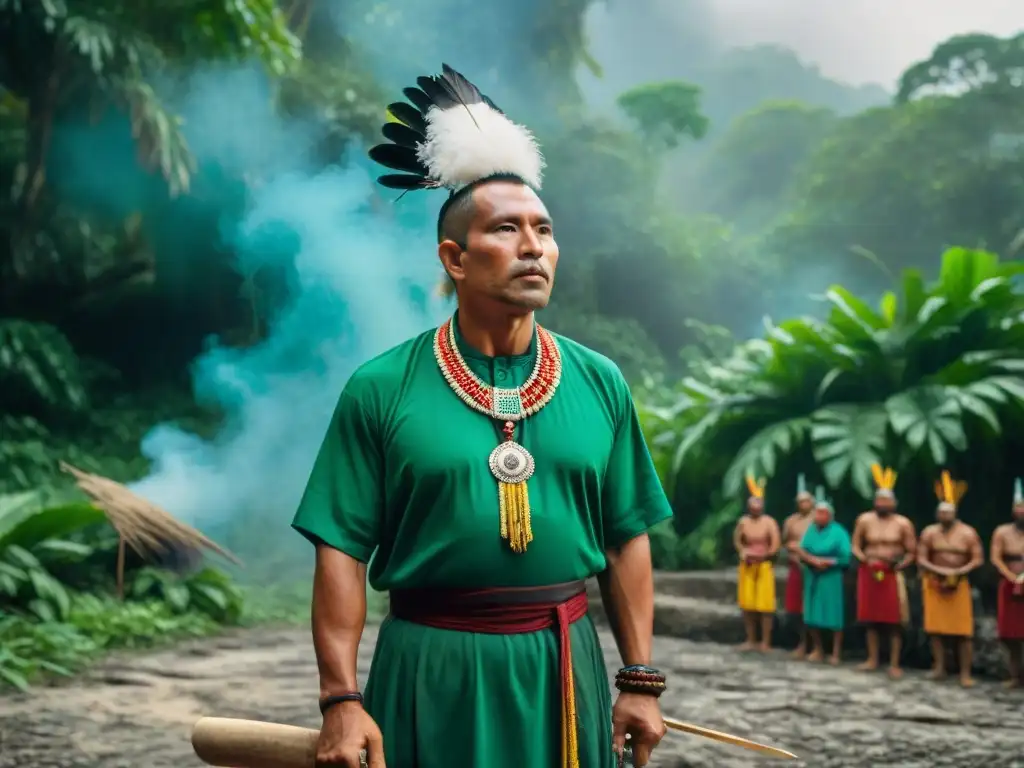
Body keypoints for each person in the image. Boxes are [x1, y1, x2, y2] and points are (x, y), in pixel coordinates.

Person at [292, 64, 674, 768]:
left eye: (545, 229)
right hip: (429, 668)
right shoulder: (380, 388)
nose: (534, 246)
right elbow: (340, 550)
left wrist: (640, 681)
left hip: (564, 670)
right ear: (455, 258)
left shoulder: (601, 383)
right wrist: (340, 703)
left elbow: (626, 538)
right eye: (506, 229)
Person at [916, 471, 983, 687]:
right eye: (941, 513)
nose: (945, 516)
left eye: (948, 513)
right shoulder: (929, 532)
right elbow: (921, 557)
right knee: (936, 630)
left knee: (963, 632)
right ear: (937, 514)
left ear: (955, 513)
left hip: (959, 583)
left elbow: (978, 559)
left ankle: (965, 673)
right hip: (935, 582)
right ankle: (939, 667)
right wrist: (938, 570)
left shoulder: (968, 533)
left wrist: (958, 571)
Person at [851, 464, 916, 679]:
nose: (883, 504)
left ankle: (895, 663)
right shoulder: (864, 520)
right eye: (880, 500)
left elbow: (911, 552)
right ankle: (872, 659)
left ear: (894, 503)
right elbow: (856, 546)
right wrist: (864, 560)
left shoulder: (903, 523)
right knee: (870, 619)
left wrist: (899, 564)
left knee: (893, 621)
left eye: (887, 500)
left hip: (891, 573)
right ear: (874, 501)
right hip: (869, 572)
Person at [798, 488, 851, 665]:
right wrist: (812, 561)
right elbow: (802, 550)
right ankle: (818, 649)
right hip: (812, 575)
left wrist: (827, 563)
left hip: (831, 577)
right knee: (812, 613)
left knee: (834, 615)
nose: (818, 516)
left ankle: (836, 652)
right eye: (817, 513)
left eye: (822, 513)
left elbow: (845, 557)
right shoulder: (811, 530)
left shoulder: (839, 532)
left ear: (829, 516)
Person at [734, 475, 781, 652]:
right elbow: (738, 541)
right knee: (748, 605)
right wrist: (743, 552)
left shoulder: (769, 522)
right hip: (747, 566)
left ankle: (765, 642)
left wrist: (764, 555)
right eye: (753, 503)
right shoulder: (743, 522)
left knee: (765, 606)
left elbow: (775, 545)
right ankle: (750, 639)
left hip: (764, 566)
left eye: (758, 503)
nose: (756, 507)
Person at [991, 477, 1024, 688]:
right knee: (1011, 635)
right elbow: (996, 558)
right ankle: (1015, 676)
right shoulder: (1002, 532)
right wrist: (1011, 577)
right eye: (1019, 508)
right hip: (1009, 585)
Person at [781, 474, 815, 658]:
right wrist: (792, 552)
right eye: (800, 502)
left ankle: (813, 644)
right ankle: (801, 642)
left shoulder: (818, 521)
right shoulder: (790, 521)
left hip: (813, 567)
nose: (803, 505)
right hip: (796, 566)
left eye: (806, 501)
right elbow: (785, 542)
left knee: (812, 606)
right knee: (796, 608)